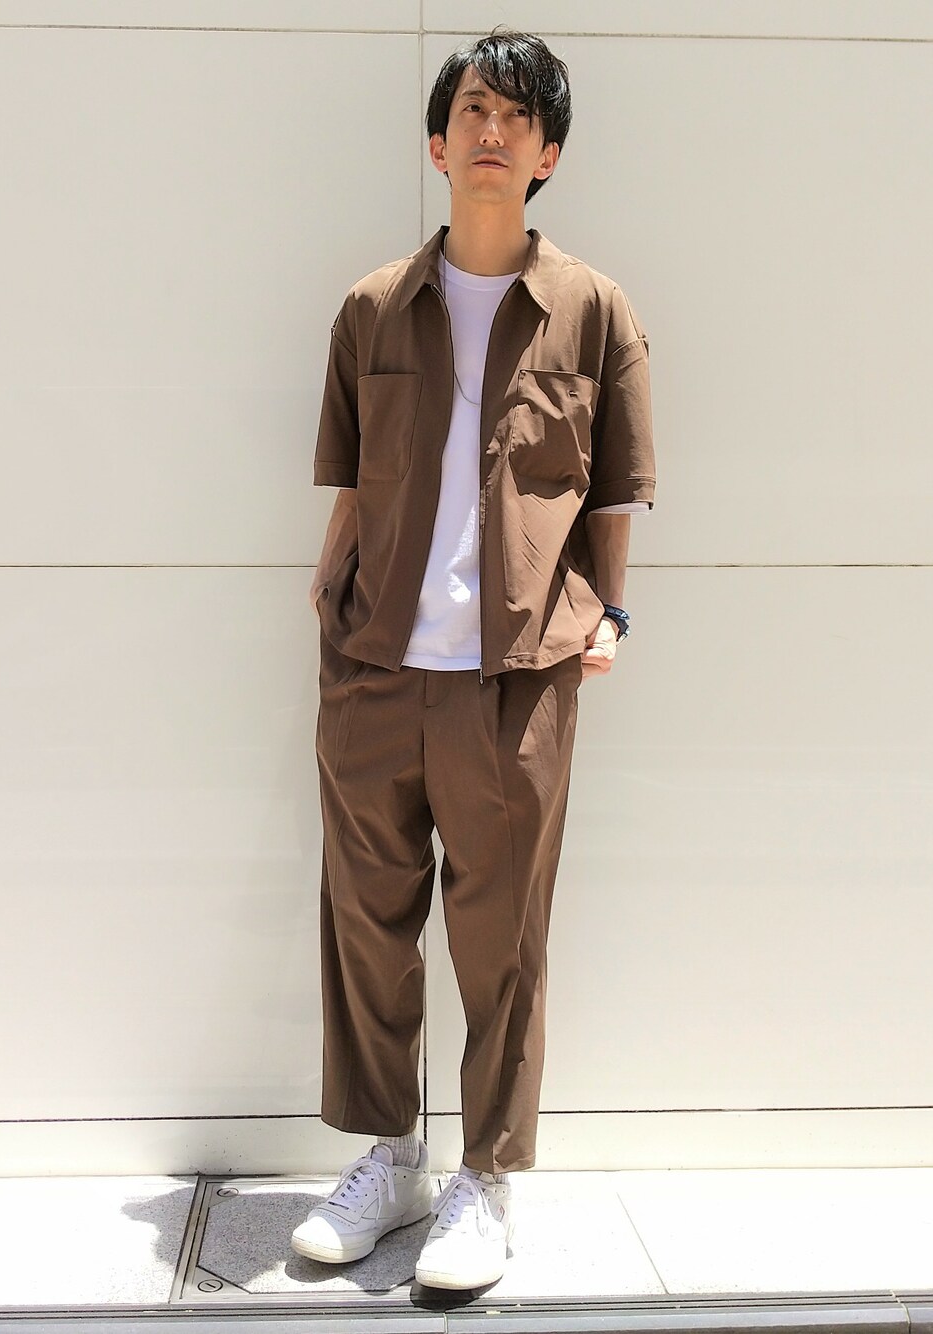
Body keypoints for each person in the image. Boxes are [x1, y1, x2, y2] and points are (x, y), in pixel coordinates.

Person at [290, 28, 655, 1290]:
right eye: (472, 111)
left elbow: (615, 493)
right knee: (367, 921)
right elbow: (352, 482)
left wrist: (610, 615)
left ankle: (484, 1181)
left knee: (502, 938)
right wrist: (328, 600)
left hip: (516, 679)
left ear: (547, 153)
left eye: (517, 117)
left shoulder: (594, 311)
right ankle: (390, 1157)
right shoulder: (369, 307)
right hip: (376, 667)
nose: (491, 132)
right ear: (437, 144)